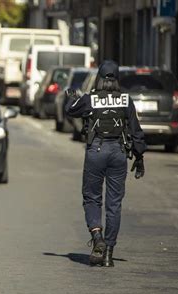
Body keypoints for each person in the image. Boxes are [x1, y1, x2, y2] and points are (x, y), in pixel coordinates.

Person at [65, 60, 146, 267]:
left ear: (99, 78)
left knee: (92, 197)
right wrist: (140, 156)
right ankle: (109, 252)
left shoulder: (91, 99)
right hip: (119, 153)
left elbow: (71, 111)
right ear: (117, 78)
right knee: (114, 204)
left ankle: (97, 236)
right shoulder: (126, 100)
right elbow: (136, 130)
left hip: (96, 151)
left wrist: (72, 98)